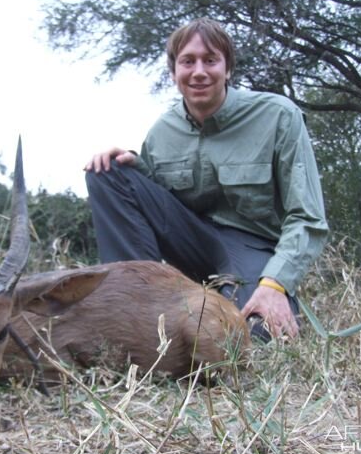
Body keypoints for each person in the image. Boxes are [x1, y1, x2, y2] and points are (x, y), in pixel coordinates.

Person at [84, 18, 328, 342]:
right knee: (107, 172)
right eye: (188, 61)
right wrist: (133, 168)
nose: (199, 71)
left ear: (227, 69)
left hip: (252, 245)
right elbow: (160, 204)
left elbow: (307, 218)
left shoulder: (279, 116)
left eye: (210, 60)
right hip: (192, 245)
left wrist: (275, 284)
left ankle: (246, 297)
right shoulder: (161, 132)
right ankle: (134, 307)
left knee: (252, 337)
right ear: (174, 73)